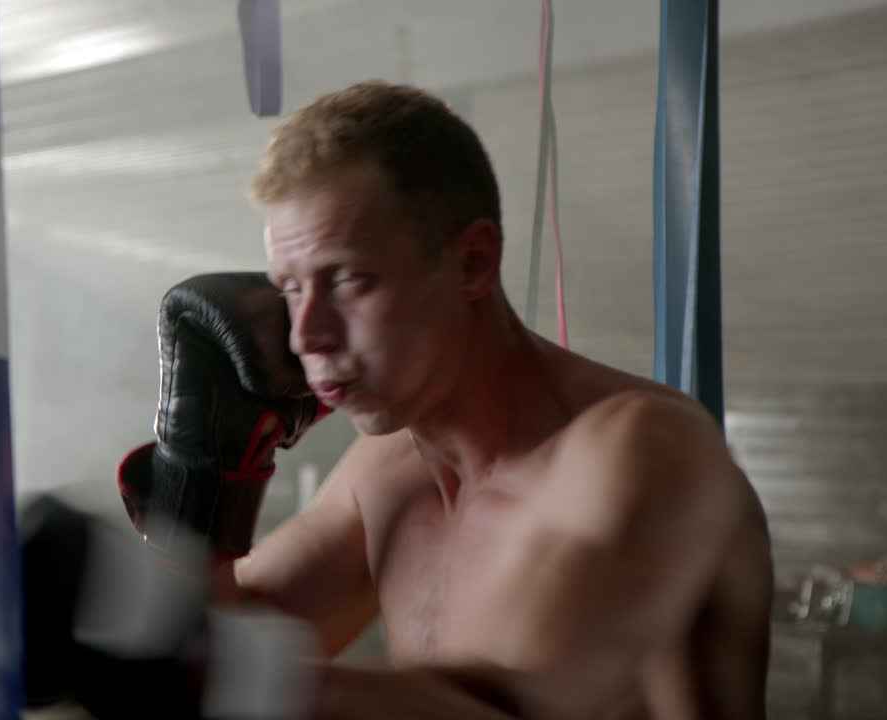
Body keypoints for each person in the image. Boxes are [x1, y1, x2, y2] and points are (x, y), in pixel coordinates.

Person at [203, 80, 777, 719]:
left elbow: (527, 707)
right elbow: (212, 648)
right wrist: (200, 478)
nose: (305, 334)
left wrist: (177, 670)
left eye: (348, 280)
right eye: (289, 289)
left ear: (472, 263)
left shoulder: (646, 450)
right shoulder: (385, 478)